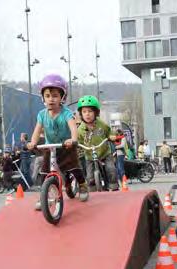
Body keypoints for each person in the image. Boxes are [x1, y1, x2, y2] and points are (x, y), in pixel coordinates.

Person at [27, 74, 88, 209]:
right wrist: (32, 142)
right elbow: (37, 130)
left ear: (62, 97)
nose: (51, 99)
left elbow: (73, 127)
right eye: (47, 96)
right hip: (51, 146)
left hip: (66, 146)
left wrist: (73, 139)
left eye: (55, 95)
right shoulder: (41, 115)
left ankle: (82, 185)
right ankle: (44, 196)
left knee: (73, 166)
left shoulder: (66, 113)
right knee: (44, 171)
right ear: (43, 97)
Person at [77, 95, 119, 191]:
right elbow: (77, 140)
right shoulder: (80, 130)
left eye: (90, 111)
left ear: (96, 113)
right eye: (84, 112)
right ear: (81, 114)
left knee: (111, 169)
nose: (87, 114)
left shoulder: (102, 124)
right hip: (90, 156)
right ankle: (92, 191)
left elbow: (110, 131)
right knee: (90, 177)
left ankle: (114, 186)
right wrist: (75, 145)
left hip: (104, 152)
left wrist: (112, 136)